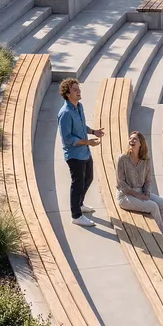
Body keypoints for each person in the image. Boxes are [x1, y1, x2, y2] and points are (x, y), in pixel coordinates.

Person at [116, 131, 163, 251]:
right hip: (125, 195)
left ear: (141, 144)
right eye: (130, 138)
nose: (131, 141)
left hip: (140, 192)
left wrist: (146, 193)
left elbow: (148, 180)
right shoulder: (122, 158)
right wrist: (137, 195)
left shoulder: (145, 160)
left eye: (135, 139)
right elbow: (120, 182)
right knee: (153, 206)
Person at [58, 78, 103, 227]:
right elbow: (68, 139)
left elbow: (82, 126)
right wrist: (87, 142)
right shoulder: (65, 113)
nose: (79, 91)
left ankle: (80, 203)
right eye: (75, 89)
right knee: (77, 184)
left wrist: (93, 132)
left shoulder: (79, 107)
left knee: (88, 178)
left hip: (84, 151)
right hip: (74, 155)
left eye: (78, 88)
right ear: (67, 93)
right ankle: (76, 215)